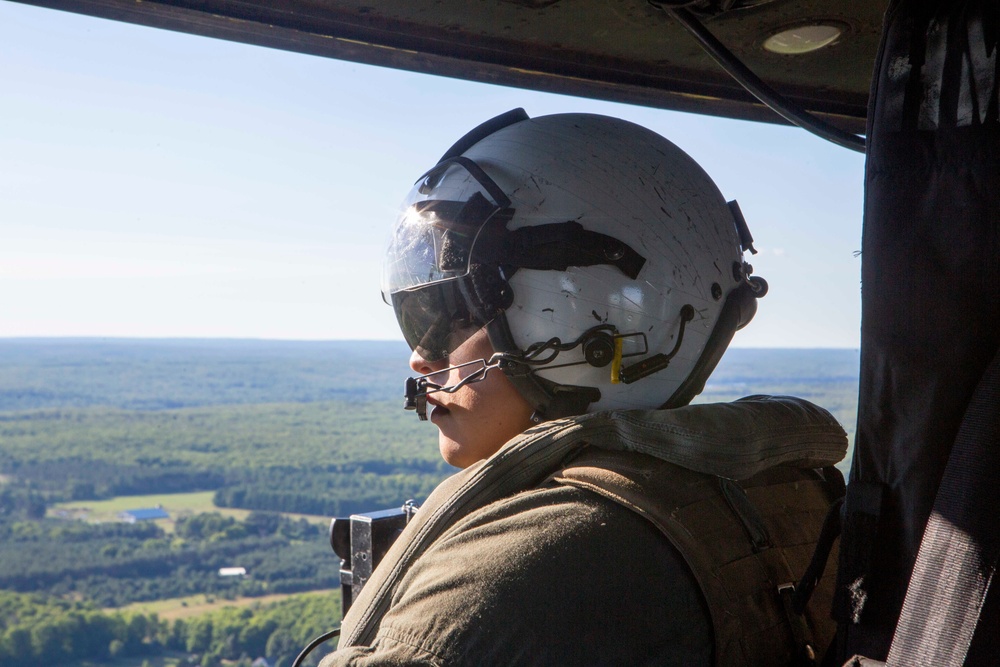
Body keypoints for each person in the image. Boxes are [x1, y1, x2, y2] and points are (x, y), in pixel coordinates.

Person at [320, 109, 847, 666]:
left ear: (583, 323)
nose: (419, 355)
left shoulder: (507, 579)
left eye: (450, 316)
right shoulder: (805, 491)